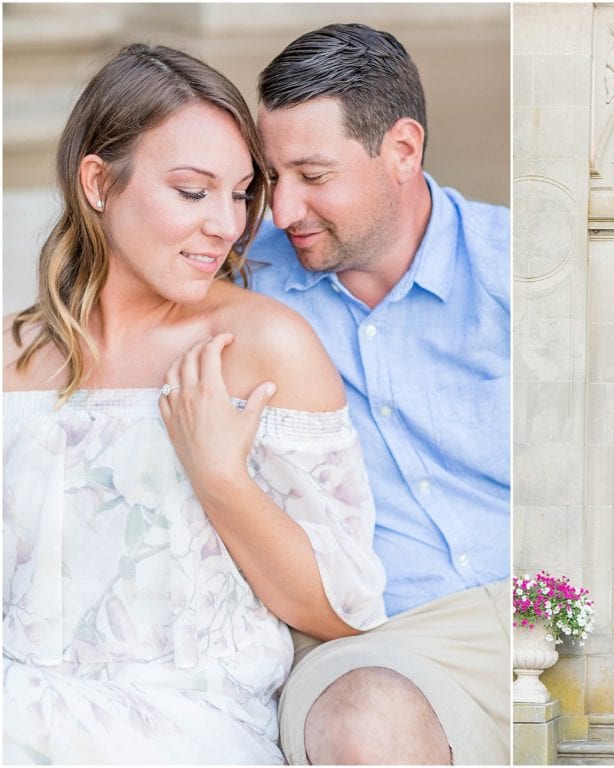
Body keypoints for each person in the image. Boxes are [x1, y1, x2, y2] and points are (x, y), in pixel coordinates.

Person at [2, 44, 386, 764]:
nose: (228, 224)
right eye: (192, 190)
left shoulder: (266, 347)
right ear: (96, 182)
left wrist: (221, 478)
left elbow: (342, 612)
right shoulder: (11, 360)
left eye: (241, 193)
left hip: (187, 732)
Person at [220, 22, 510, 765]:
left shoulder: (524, 266)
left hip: (547, 607)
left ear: (402, 152)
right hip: (380, 641)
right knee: (362, 723)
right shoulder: (239, 286)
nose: (282, 211)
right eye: (271, 178)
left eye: (313, 177)